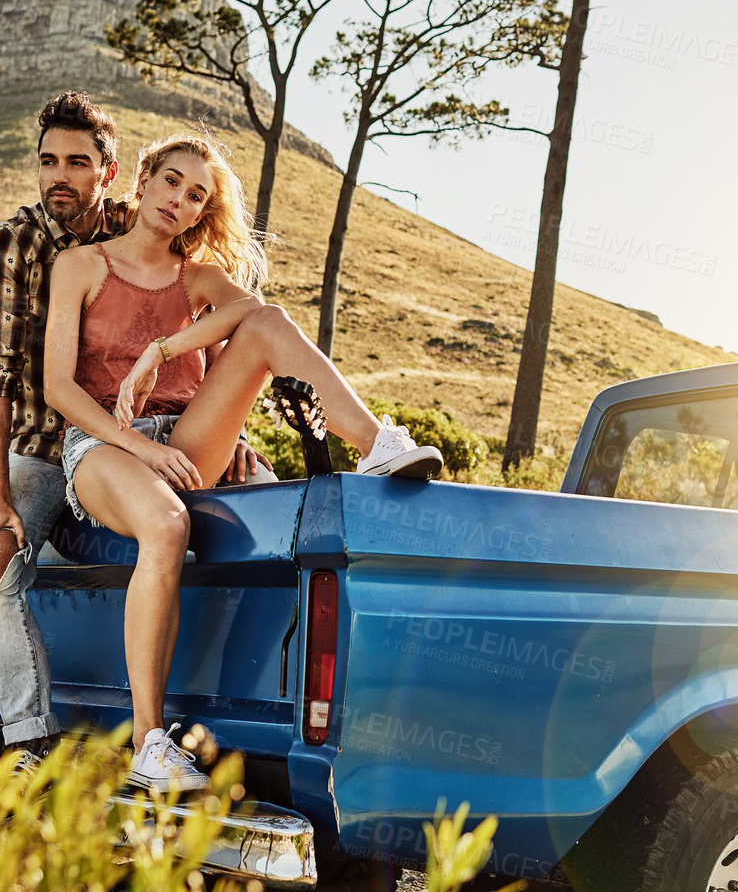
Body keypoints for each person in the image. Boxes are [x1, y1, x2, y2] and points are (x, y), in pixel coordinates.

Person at [44, 131, 441, 790]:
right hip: (104, 444)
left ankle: (376, 446)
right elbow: (60, 388)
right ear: (142, 181)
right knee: (167, 525)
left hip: (186, 438)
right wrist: (140, 446)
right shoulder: (81, 267)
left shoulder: (198, 279)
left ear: (202, 212)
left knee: (264, 323)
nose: (179, 199)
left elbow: (252, 312)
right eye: (171, 181)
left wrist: (162, 352)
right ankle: (149, 741)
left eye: (196, 195)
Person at [0, 92, 266, 766]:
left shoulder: (149, 217)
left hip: (162, 431)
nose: (58, 177)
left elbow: (203, 324)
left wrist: (230, 428)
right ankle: (28, 737)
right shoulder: (14, 242)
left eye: (76, 162)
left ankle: (219, 722)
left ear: (110, 170)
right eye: (47, 162)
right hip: (47, 446)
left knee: (265, 524)